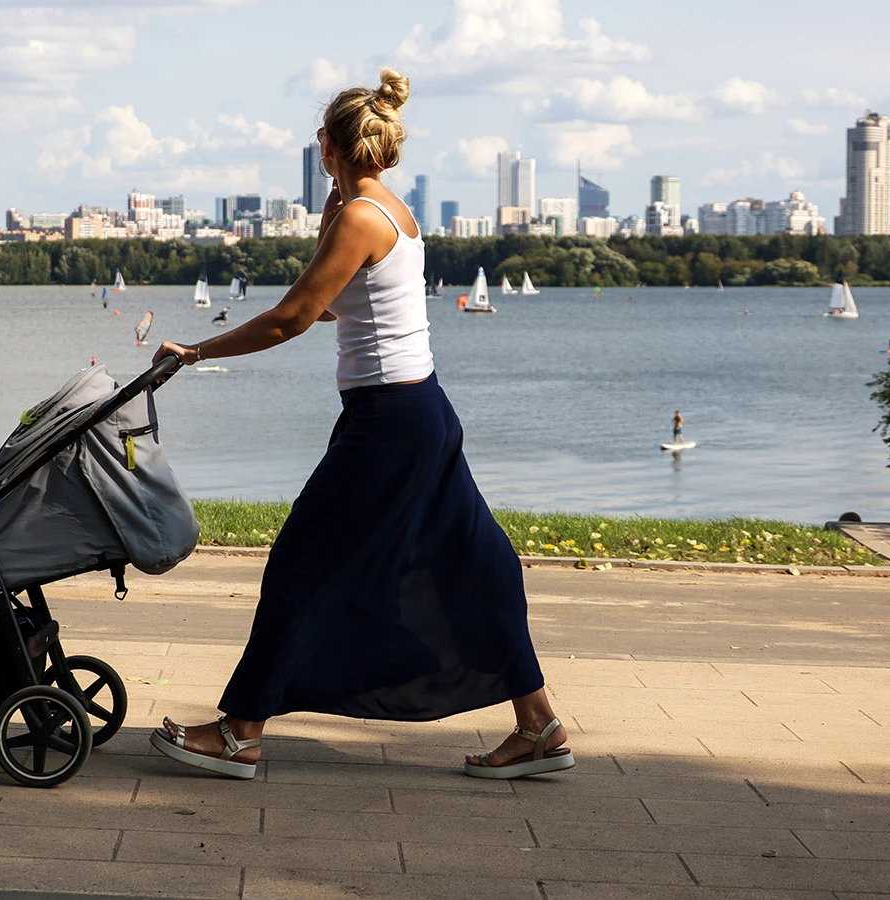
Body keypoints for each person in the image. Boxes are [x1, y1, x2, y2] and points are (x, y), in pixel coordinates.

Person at [147, 68, 572, 782]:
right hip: (420, 411)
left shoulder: (358, 218)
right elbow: (343, 306)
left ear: (327, 148)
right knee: (475, 565)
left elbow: (293, 317)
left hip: (390, 423)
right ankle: (540, 726)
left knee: (299, 565)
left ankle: (241, 732)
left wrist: (196, 351)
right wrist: (330, 216)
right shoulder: (389, 211)